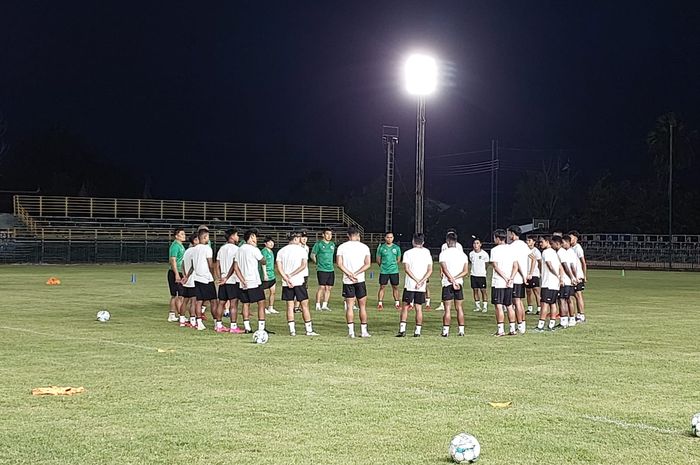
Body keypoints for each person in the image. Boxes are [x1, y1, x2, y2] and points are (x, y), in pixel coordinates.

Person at [276, 231, 319, 336]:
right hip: (299, 281)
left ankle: (292, 331)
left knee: (290, 306)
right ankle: (308, 330)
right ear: (295, 239)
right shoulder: (301, 250)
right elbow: (303, 265)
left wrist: (286, 278)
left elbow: (279, 267)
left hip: (287, 283)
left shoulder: (281, 251)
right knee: (304, 305)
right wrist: (292, 275)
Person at [336, 226, 372, 338]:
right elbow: (367, 264)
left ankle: (351, 332)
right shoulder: (364, 247)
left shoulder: (342, 247)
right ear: (358, 235)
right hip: (359, 279)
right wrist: (356, 273)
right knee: (362, 306)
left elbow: (339, 264)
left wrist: (349, 274)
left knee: (350, 306)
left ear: (348, 235)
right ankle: (364, 331)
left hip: (348, 280)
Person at [231, 229, 267, 334]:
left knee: (245, 303)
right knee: (261, 302)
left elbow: (235, 267)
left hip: (242, 281)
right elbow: (263, 260)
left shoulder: (239, 249)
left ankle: (247, 327)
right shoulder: (253, 249)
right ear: (251, 237)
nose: (257, 239)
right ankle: (261, 327)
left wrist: (242, 280)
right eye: (255, 237)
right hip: (253, 280)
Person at [397, 233, 433, 337]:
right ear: (423, 242)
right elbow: (430, 270)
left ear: (413, 241)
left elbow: (407, 269)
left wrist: (416, 280)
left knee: (405, 307)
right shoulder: (427, 252)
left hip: (410, 285)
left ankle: (402, 330)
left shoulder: (408, 253)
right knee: (419, 308)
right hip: (421, 286)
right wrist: (422, 281)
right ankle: (417, 331)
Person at [439, 232, 469, 337]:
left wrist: (451, 279)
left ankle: (445, 331)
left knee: (447, 308)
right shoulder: (463, 254)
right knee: (459, 308)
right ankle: (461, 330)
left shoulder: (443, 254)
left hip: (447, 283)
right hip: (459, 283)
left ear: (447, 241)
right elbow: (465, 271)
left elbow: (445, 269)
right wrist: (456, 280)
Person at [188, 228, 218, 331]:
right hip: (206, 278)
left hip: (197, 277)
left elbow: (192, 265)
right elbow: (210, 264)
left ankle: (199, 322)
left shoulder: (194, 249)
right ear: (205, 237)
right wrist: (213, 276)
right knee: (213, 301)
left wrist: (187, 276)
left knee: (199, 301)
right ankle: (217, 323)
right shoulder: (207, 248)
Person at [507, 225, 535, 334]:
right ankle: (522, 324)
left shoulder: (512, 246)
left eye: (509, 233)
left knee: (516, 302)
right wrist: (530, 273)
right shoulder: (524, 245)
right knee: (520, 302)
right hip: (521, 277)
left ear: (512, 234)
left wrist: (524, 275)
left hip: (516, 278)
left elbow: (516, 264)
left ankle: (519, 325)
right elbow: (534, 258)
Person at [489, 229, 518, 336]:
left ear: (497, 238)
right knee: (509, 305)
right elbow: (515, 266)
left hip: (499, 282)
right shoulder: (511, 249)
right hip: (510, 282)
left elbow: (495, 266)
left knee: (499, 305)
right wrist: (511, 278)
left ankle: (500, 330)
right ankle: (512, 329)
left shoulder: (495, 250)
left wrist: (505, 278)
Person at [216, 228, 243, 333]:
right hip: (232, 280)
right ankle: (233, 326)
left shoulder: (221, 249)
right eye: (236, 235)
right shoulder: (236, 249)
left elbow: (217, 265)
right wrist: (227, 277)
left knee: (221, 303)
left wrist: (220, 277)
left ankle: (218, 325)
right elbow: (234, 266)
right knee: (233, 303)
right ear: (232, 236)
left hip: (223, 280)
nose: (238, 237)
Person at [533, 235, 561, 332]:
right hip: (554, 283)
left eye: (541, 242)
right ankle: (551, 325)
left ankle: (541, 326)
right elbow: (560, 266)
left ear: (547, 241)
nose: (540, 244)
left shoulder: (546, 252)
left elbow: (549, 265)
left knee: (544, 303)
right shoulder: (554, 252)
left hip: (548, 282)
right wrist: (559, 278)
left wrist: (556, 275)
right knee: (552, 303)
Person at [435, 229, 464, 312]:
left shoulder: (459, 246)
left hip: (455, 271)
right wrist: (441, 270)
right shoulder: (444, 246)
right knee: (444, 286)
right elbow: (442, 261)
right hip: (446, 271)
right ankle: (442, 304)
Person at [310, 228, 335, 311]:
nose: (329, 236)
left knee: (329, 288)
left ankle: (325, 305)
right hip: (322, 269)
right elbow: (312, 255)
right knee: (322, 287)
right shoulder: (319, 244)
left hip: (330, 269)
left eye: (330, 234)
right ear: (323, 235)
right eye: (327, 234)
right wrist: (317, 263)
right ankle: (317, 304)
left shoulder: (332, 244)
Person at [550, 235, 572, 328]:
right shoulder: (564, 252)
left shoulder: (560, 252)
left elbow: (565, 265)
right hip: (567, 280)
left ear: (557, 243)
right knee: (565, 300)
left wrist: (567, 277)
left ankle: (563, 321)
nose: (551, 246)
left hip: (564, 280)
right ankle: (565, 320)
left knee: (561, 300)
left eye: (552, 244)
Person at [376, 231, 402, 310]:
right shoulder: (381, 248)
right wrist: (383, 266)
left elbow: (398, 259)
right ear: (385, 238)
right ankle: (380, 303)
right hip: (384, 271)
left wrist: (393, 265)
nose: (389, 239)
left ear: (393, 238)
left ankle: (397, 303)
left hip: (394, 271)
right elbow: (378, 259)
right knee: (382, 287)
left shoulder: (396, 248)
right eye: (388, 237)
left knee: (395, 287)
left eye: (391, 237)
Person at [179, 232, 199, 328]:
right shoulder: (195, 251)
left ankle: (182, 319)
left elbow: (182, 264)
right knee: (193, 301)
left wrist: (183, 275)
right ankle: (192, 320)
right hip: (192, 280)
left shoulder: (187, 251)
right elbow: (193, 266)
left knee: (185, 300)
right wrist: (187, 276)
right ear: (195, 240)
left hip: (186, 280)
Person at [167, 227, 186, 322]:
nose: (184, 236)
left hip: (179, 271)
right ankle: (179, 315)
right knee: (179, 295)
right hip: (176, 272)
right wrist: (176, 274)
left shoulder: (181, 246)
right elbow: (173, 260)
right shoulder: (175, 246)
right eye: (182, 234)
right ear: (176, 236)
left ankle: (173, 314)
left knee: (177, 295)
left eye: (184, 234)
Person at [560, 235, 580, 328]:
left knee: (563, 300)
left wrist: (572, 277)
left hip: (565, 280)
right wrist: (574, 277)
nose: (561, 244)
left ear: (567, 242)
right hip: (569, 279)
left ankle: (565, 320)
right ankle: (571, 318)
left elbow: (566, 266)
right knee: (569, 299)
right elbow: (572, 266)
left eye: (563, 242)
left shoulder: (565, 252)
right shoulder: (570, 252)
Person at [569, 230, 587, 322]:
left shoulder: (578, 248)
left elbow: (583, 262)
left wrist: (584, 275)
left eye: (571, 237)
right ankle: (578, 315)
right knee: (574, 295)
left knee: (578, 295)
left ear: (575, 238)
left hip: (578, 275)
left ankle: (582, 315)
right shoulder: (570, 248)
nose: (569, 239)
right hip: (573, 275)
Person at [468, 238, 489, 313]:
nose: (476, 245)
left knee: (483, 291)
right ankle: (477, 306)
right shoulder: (471, 254)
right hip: (473, 274)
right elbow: (471, 262)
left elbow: (486, 264)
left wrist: (483, 271)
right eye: (474, 243)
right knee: (475, 290)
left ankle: (485, 306)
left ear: (480, 244)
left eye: (477, 243)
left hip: (481, 275)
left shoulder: (484, 254)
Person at [260, 236, 279, 315]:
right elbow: (263, 263)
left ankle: (271, 307)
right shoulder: (264, 251)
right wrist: (265, 274)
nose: (271, 244)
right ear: (265, 243)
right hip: (266, 274)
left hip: (272, 274)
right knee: (263, 292)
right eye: (269, 242)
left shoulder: (271, 251)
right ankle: (263, 308)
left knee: (273, 291)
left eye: (272, 242)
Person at [525, 234, 542, 315]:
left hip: (534, 274)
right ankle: (530, 308)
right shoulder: (525, 250)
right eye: (527, 240)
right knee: (528, 291)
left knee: (536, 291)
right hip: (526, 273)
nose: (527, 242)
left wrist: (539, 272)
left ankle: (539, 308)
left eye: (529, 240)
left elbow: (539, 262)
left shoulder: (536, 251)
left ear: (534, 242)